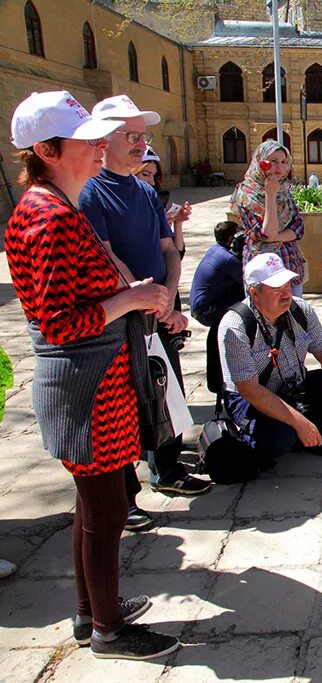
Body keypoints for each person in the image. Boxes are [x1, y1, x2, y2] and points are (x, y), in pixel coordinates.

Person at [6, 90, 180, 660]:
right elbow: (60, 325)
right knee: (106, 511)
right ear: (48, 150)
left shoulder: (56, 207)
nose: (97, 147)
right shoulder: (46, 216)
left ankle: (91, 614)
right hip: (85, 387)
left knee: (92, 506)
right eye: (85, 141)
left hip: (96, 382)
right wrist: (128, 298)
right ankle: (109, 630)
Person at [81, 95, 210, 522]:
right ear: (102, 139)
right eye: (130, 136)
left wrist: (169, 301)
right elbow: (107, 257)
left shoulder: (144, 190)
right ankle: (125, 497)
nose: (141, 144)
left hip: (157, 314)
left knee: (165, 392)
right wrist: (150, 303)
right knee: (120, 409)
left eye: (143, 136)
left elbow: (169, 250)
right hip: (120, 319)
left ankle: (168, 470)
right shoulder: (89, 192)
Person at [219, 254, 322, 462]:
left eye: (288, 286)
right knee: (279, 439)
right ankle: (273, 441)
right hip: (253, 398)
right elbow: (249, 389)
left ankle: (310, 437)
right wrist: (298, 422)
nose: (286, 294)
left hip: (293, 385)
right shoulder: (235, 326)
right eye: (276, 289)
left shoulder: (300, 309)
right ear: (254, 293)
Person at [232, 140, 306, 297]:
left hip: (289, 264)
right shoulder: (247, 194)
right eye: (273, 161)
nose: (279, 168)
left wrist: (275, 237)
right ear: (260, 162)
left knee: (293, 317)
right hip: (262, 272)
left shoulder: (284, 191)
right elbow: (265, 233)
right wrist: (270, 195)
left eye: (283, 162)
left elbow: (298, 227)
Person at [190, 220, 245, 393]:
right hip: (206, 310)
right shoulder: (227, 259)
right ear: (231, 239)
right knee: (244, 299)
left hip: (203, 306)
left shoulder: (216, 250)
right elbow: (246, 282)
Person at [134, 146, 189, 258]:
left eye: (154, 176)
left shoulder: (156, 201)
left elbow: (176, 254)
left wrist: (177, 223)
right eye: (145, 174)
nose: (152, 182)